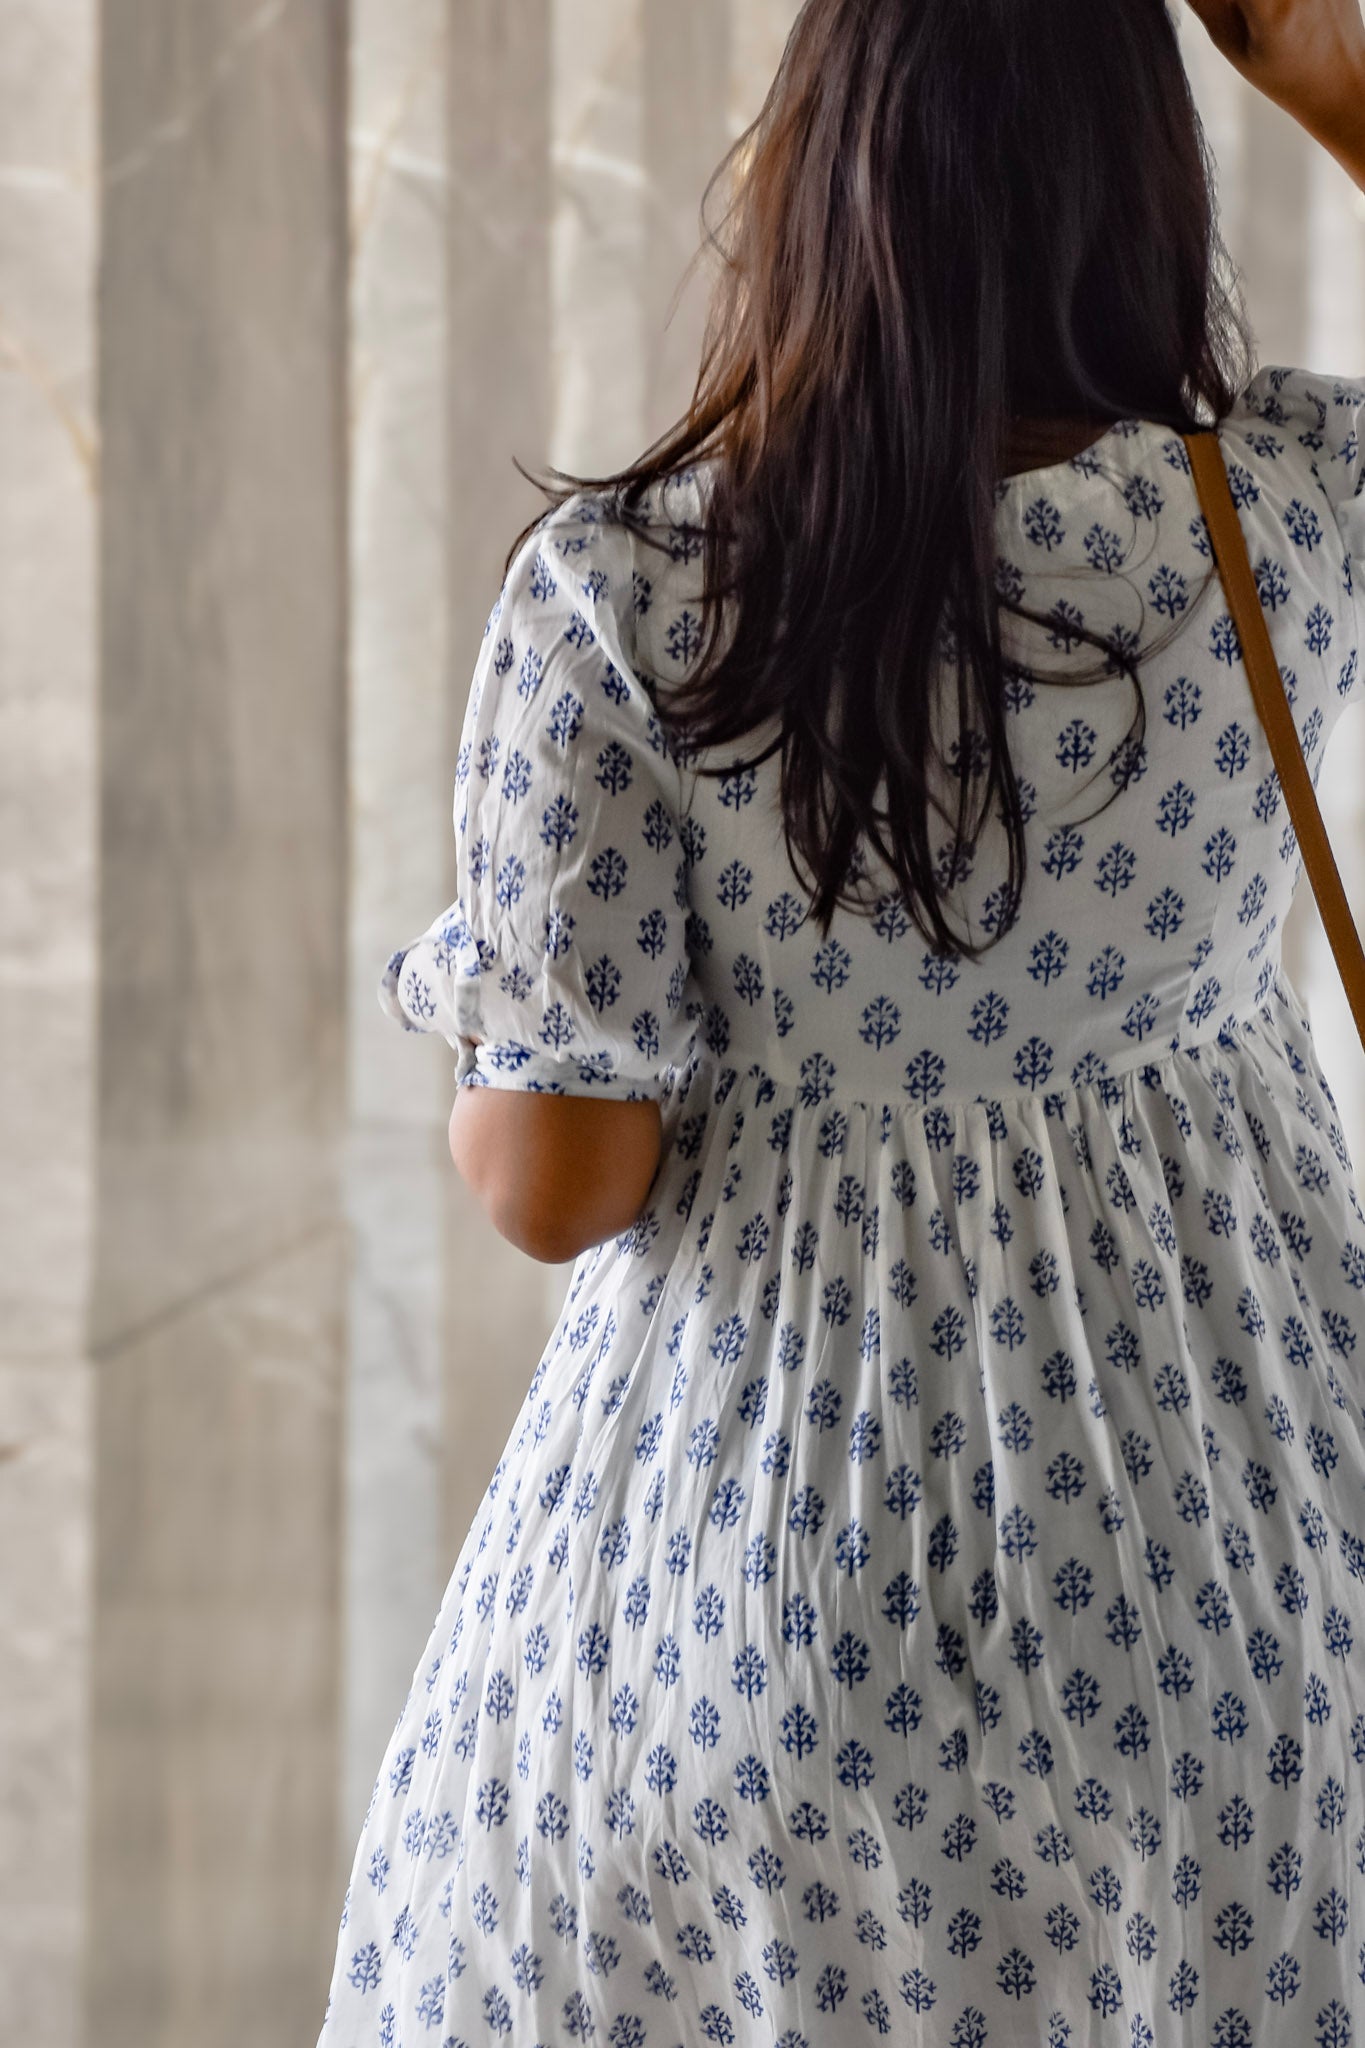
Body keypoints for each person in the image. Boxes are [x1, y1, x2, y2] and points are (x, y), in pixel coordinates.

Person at [317, 1, 1365, 2040]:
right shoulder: (1279, 526)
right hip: (1234, 1587)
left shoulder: (634, 601)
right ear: (1142, 188)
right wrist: (1337, 91)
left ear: (811, 180)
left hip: (757, 1593)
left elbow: (559, 1178)